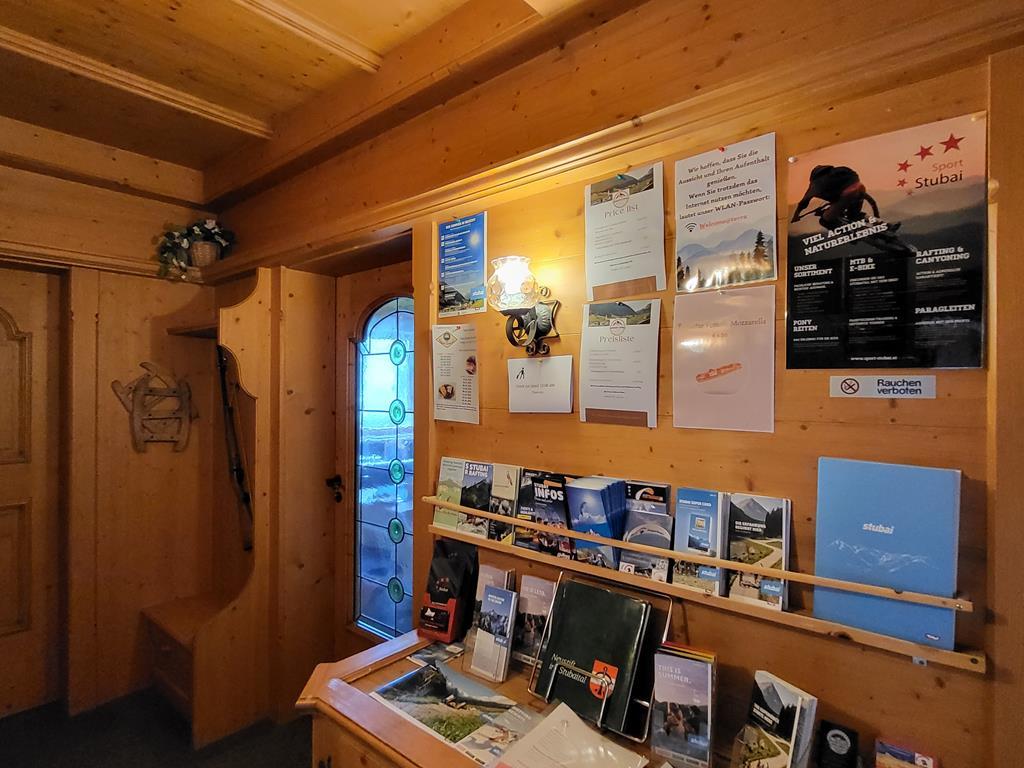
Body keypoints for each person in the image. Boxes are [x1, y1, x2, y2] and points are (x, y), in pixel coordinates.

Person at [791, 165, 881, 230]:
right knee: (854, 215)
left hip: (847, 195)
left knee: (825, 221)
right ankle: (879, 222)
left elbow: (803, 202)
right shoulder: (840, 171)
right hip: (860, 188)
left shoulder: (816, 183)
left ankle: (850, 234)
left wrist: (796, 215)